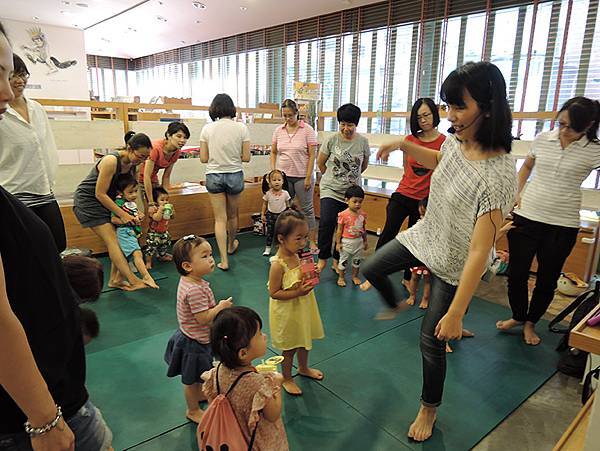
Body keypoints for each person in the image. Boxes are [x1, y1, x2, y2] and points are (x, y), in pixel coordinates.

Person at [363, 61, 516, 442]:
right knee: (372, 267)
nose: (450, 116)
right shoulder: (457, 141)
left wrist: (456, 312)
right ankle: (399, 301)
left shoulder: (498, 175)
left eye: (458, 107)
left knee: (431, 341)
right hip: (426, 234)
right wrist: (403, 144)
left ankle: (428, 409)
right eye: (447, 106)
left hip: (454, 262)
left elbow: (480, 250)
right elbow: (439, 161)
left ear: (489, 106)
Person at [0, 23, 113, 451]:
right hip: (15, 196)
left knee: (56, 265)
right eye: (5, 75)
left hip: (42, 195)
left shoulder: (37, 110)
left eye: (15, 76)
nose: (12, 89)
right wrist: (46, 422)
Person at [497, 96, 600, 345]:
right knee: (517, 273)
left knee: (547, 279)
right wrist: (515, 195)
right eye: (561, 123)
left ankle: (531, 323)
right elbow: (527, 168)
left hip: (563, 224)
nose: (563, 130)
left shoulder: (595, 149)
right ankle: (518, 316)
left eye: (571, 127)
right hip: (528, 216)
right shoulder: (544, 139)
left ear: (588, 126)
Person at [360, 98, 445, 291]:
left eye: (427, 115)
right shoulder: (409, 140)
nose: (423, 120)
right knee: (389, 231)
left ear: (434, 114)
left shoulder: (443, 143)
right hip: (403, 193)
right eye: (419, 117)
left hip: (424, 201)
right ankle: (375, 274)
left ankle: (408, 278)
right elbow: (407, 168)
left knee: (414, 240)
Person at [165, 235, 233, 423]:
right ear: (188, 266)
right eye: (204, 256)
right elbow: (203, 318)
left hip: (196, 336)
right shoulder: (194, 290)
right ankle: (192, 410)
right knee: (189, 379)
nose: (211, 259)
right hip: (193, 342)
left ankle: (199, 395)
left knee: (198, 374)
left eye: (210, 254)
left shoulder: (192, 281)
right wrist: (220, 307)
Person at [0, 54, 65, 252]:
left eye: (23, 74)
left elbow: (47, 146)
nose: (20, 81)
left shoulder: (37, 108)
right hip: (14, 192)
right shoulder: (2, 112)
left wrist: (51, 179)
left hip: (44, 189)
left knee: (58, 245)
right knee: (25, 252)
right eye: (13, 75)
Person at [73, 132, 152, 291]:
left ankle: (116, 279)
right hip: (89, 202)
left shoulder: (133, 165)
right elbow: (99, 193)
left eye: (146, 158)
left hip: (107, 202)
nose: (142, 161)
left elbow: (129, 190)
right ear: (130, 148)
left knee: (119, 239)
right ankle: (133, 280)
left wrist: (135, 212)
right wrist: (123, 214)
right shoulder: (111, 161)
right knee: (113, 241)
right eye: (140, 156)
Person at [203, 306, 288, 450]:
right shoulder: (259, 385)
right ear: (243, 353)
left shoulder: (216, 371)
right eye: (260, 334)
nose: (265, 336)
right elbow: (273, 414)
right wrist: (276, 385)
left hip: (232, 436)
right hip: (258, 442)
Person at [268, 210, 324, 396]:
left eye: (305, 237)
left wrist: (313, 272)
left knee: (304, 340)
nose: (303, 243)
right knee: (289, 347)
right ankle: (286, 377)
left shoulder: (301, 254)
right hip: (287, 312)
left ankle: (303, 368)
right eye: (298, 238)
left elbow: (305, 276)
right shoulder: (278, 264)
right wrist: (298, 292)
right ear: (282, 238)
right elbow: (274, 293)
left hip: (304, 307)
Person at [316, 103, 371, 274]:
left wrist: (351, 180)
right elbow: (321, 163)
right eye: (343, 124)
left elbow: (363, 166)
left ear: (356, 124)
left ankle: (337, 259)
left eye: (350, 125)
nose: (346, 128)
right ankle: (322, 258)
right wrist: (332, 178)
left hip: (351, 194)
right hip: (330, 189)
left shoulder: (362, 142)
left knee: (346, 228)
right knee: (326, 223)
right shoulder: (331, 140)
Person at [200, 94, 251, 271]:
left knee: (219, 219)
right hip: (235, 174)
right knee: (232, 215)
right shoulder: (241, 128)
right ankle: (231, 246)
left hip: (214, 175)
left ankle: (223, 260)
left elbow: (203, 158)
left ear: (214, 109)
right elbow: (246, 157)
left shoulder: (207, 129)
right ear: (231, 108)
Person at [271, 99, 319, 251]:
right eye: (284, 116)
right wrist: (273, 172)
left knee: (307, 209)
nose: (287, 119)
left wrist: (308, 176)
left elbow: (312, 155)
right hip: (284, 176)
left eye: (290, 115)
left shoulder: (308, 130)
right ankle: (286, 240)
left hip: (301, 175)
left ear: (297, 113)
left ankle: (312, 241)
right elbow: (273, 152)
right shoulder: (278, 130)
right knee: (284, 209)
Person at [110, 175, 159, 289]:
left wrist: (139, 216)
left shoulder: (130, 203)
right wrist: (126, 220)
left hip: (131, 232)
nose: (134, 195)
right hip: (124, 232)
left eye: (136, 191)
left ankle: (117, 279)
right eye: (130, 192)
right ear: (121, 192)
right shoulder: (119, 203)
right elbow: (113, 219)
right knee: (137, 253)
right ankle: (146, 276)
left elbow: (135, 213)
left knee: (124, 257)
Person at [139, 121, 190, 208]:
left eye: (185, 138)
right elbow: (146, 176)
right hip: (139, 179)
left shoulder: (177, 152)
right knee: (144, 208)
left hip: (153, 180)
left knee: (161, 207)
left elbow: (166, 177)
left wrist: (166, 198)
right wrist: (151, 202)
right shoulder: (155, 148)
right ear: (169, 135)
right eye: (178, 136)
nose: (182, 140)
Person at [335, 185, 368, 287]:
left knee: (357, 261)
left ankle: (355, 276)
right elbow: (339, 230)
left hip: (358, 242)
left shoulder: (363, 214)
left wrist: (365, 241)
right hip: (346, 242)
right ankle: (341, 277)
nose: (358, 204)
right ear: (347, 200)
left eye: (360, 202)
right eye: (355, 201)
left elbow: (363, 229)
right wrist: (338, 243)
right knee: (343, 261)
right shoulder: (343, 215)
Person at [405, 198, 430, 309]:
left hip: (428, 258)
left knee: (428, 280)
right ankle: (412, 295)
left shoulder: (436, 227)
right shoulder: (418, 225)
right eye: (421, 215)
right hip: (417, 256)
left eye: (425, 215)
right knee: (414, 277)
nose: (422, 218)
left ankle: (425, 299)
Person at [261, 169, 291, 256]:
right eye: (274, 180)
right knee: (270, 232)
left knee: (282, 232)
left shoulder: (285, 193)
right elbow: (264, 204)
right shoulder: (268, 194)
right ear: (269, 182)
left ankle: (282, 248)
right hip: (270, 215)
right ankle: (268, 248)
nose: (277, 182)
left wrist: (289, 211)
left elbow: (288, 204)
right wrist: (263, 214)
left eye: (279, 180)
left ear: (282, 181)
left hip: (282, 215)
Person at [145, 186, 174, 269]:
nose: (165, 202)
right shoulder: (153, 209)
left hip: (164, 231)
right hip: (154, 233)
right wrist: (160, 210)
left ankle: (162, 256)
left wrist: (172, 210)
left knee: (164, 244)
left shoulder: (166, 209)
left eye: (167, 200)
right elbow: (156, 218)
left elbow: (172, 217)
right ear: (155, 201)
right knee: (151, 248)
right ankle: (148, 261)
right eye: (162, 200)